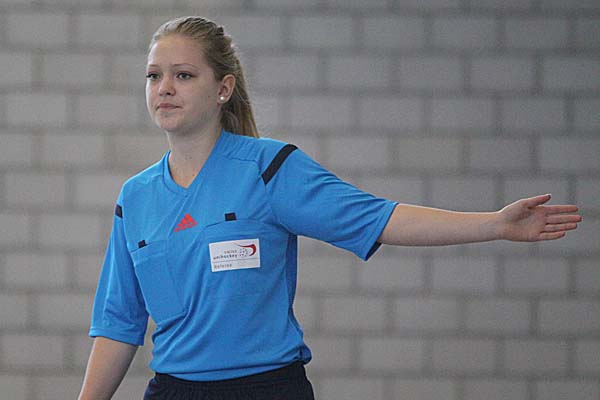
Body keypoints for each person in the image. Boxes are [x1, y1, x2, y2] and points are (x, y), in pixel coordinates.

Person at [78, 16, 582, 400]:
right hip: (175, 391)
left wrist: (493, 224)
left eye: (183, 75)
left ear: (223, 88)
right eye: (154, 76)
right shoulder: (136, 197)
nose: (164, 88)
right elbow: (119, 324)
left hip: (266, 388)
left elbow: (379, 218)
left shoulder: (269, 169)